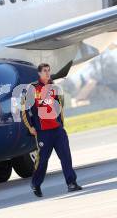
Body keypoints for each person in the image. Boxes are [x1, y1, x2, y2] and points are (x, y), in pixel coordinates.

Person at [22, 63, 82, 197]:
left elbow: (60, 107)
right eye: (45, 71)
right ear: (39, 73)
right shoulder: (32, 89)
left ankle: (71, 183)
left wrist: (61, 125)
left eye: (49, 71)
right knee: (43, 160)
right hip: (43, 132)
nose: (47, 73)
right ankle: (36, 183)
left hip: (58, 131)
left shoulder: (55, 88)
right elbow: (25, 110)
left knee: (66, 156)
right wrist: (30, 127)